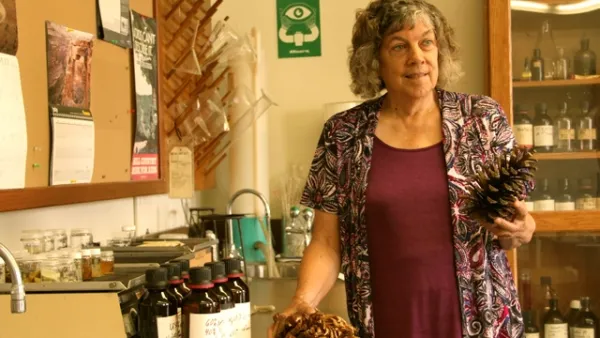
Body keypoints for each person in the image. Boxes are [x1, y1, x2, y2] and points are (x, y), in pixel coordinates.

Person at [268, 0, 536, 337]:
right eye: (399, 46)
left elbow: (514, 223)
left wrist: (523, 229)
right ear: (374, 61)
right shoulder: (344, 133)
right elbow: (325, 242)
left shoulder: (482, 119)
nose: (417, 56)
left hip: (480, 321)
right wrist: (303, 300)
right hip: (387, 320)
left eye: (426, 42)